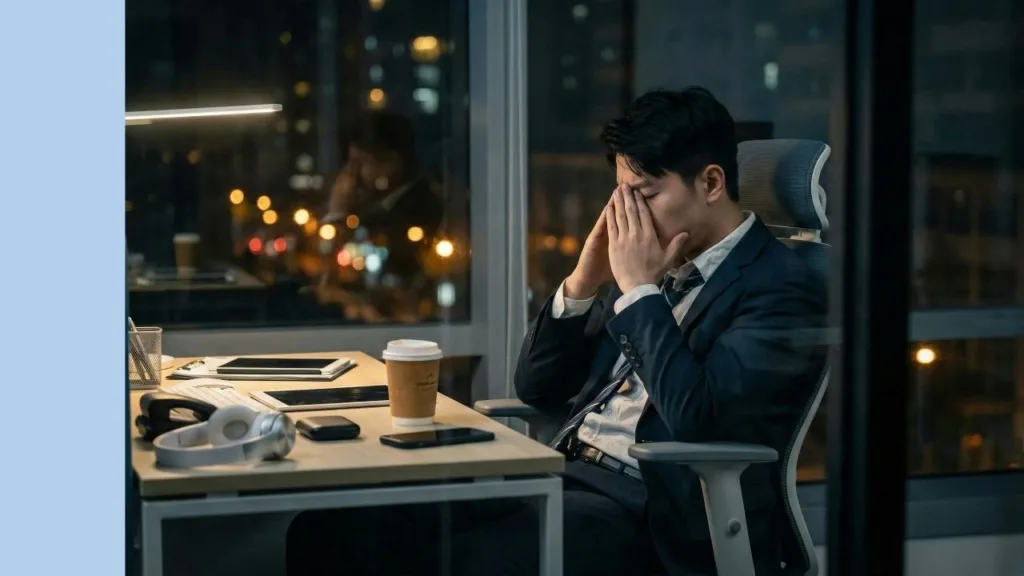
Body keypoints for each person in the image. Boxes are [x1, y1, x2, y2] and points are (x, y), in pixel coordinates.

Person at [286, 87, 827, 575]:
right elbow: (537, 388)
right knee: (332, 531)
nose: (627, 215)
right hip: (564, 475)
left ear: (710, 182)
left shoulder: (780, 285)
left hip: (651, 510)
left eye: (645, 193)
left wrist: (638, 290)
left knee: (470, 562)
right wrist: (584, 279)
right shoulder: (657, 255)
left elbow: (699, 419)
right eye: (621, 194)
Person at [320, 110, 445, 320]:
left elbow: (374, 286)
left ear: (391, 163)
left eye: (359, 163)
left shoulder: (413, 214)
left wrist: (337, 214)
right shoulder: (379, 211)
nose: (351, 175)